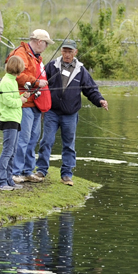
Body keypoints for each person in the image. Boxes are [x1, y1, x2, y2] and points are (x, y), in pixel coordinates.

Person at [31, 40, 107, 186]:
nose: (67, 54)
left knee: (69, 145)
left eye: (70, 52)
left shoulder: (81, 70)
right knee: (46, 141)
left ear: (75, 52)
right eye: (65, 51)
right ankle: (41, 171)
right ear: (61, 51)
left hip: (70, 114)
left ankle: (66, 175)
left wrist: (100, 101)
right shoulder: (52, 66)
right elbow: (40, 83)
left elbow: (91, 90)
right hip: (51, 112)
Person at [7, 30, 51, 183]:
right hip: (24, 102)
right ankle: (16, 171)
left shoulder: (37, 58)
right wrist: (36, 82)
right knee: (23, 138)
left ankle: (27, 170)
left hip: (36, 103)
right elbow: (17, 74)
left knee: (33, 138)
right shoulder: (21, 53)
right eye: (46, 43)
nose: (46, 47)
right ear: (39, 41)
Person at [0, 56, 29, 190]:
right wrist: (21, 101)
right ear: (17, 68)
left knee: (13, 151)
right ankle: (0, 181)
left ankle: (8, 179)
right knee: (7, 151)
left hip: (15, 119)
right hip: (9, 119)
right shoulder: (7, 82)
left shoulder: (12, 81)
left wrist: (23, 97)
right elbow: (8, 101)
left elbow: (14, 98)